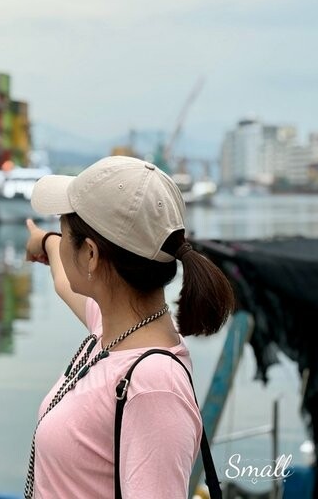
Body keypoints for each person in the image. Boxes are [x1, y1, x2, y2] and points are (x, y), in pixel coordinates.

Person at [23, 155, 234, 498]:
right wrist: (44, 240)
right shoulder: (113, 330)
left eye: (64, 233)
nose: (60, 243)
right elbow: (63, 280)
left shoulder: (153, 385)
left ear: (90, 255)